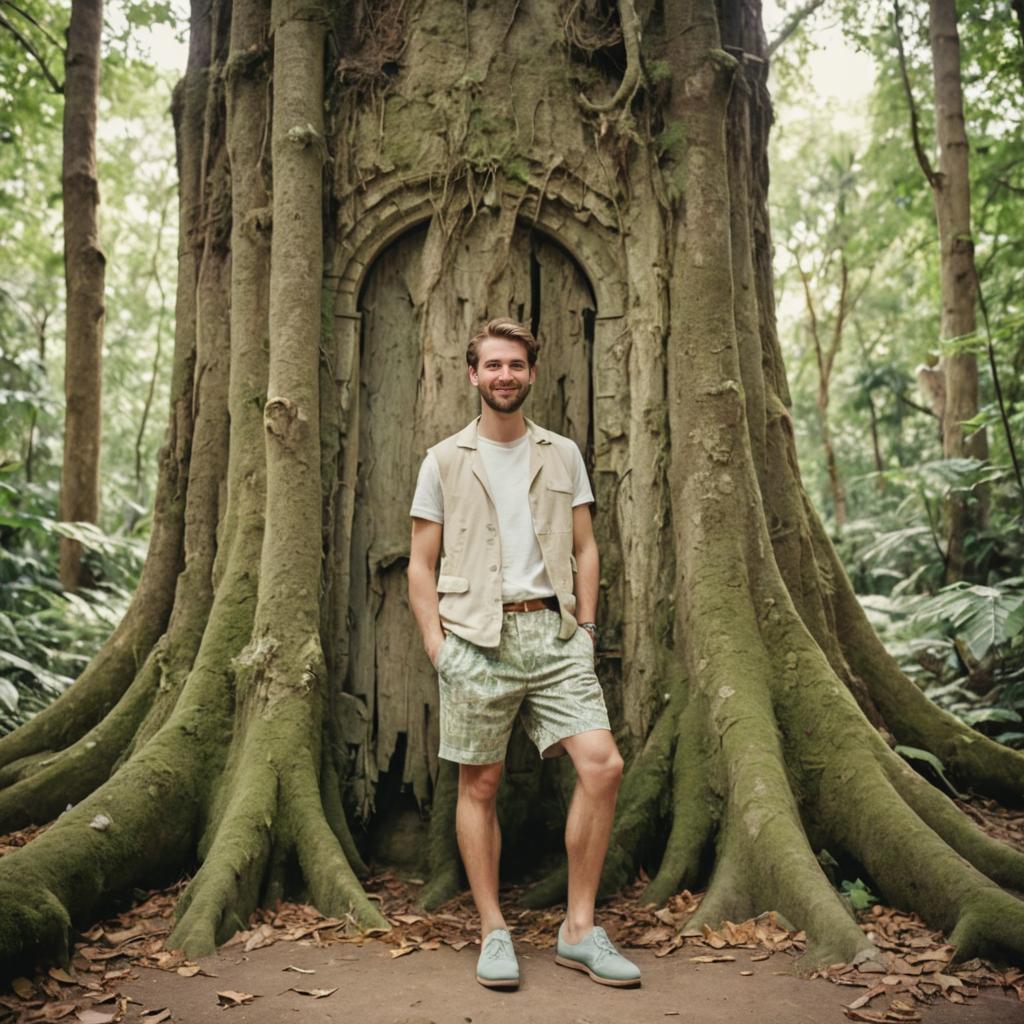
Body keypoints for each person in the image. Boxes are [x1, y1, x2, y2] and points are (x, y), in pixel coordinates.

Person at [407, 317, 641, 990]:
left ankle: (578, 928)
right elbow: (420, 564)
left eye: (517, 365)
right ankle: (493, 931)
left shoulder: (561, 453)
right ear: (473, 375)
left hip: (555, 633)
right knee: (478, 785)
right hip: (475, 638)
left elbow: (586, 546)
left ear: (532, 374)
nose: (505, 375)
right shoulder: (444, 459)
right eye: (494, 365)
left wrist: (588, 629)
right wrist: (437, 645)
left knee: (603, 765)